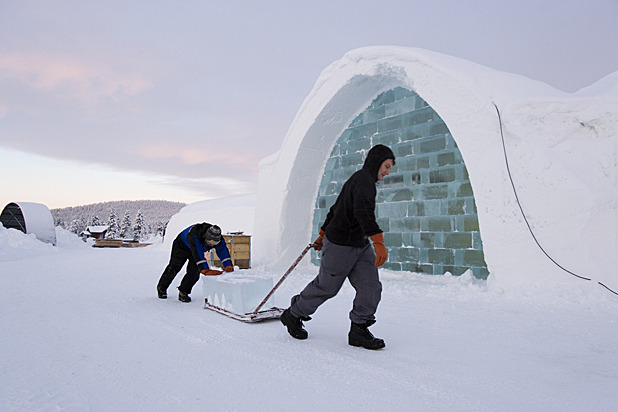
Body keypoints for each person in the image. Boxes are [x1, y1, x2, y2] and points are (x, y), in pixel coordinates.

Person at [280, 144, 395, 350]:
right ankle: (293, 314)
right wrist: (378, 241)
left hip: (360, 244)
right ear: (376, 162)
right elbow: (362, 212)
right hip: (340, 244)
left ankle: (359, 328)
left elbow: (337, 207)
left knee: (370, 286)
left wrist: (322, 234)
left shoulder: (363, 181)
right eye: (386, 166)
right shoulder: (362, 181)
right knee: (327, 287)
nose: (387, 171)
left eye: (390, 168)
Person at [157, 223, 234, 302]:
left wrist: (227, 265)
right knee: (174, 267)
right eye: (210, 243)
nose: (211, 246)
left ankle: (183, 292)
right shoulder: (195, 235)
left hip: (197, 249)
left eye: (214, 244)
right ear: (205, 238)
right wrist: (205, 270)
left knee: (194, 272)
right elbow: (199, 255)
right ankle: (162, 288)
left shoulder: (218, 238)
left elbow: (222, 251)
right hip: (181, 246)